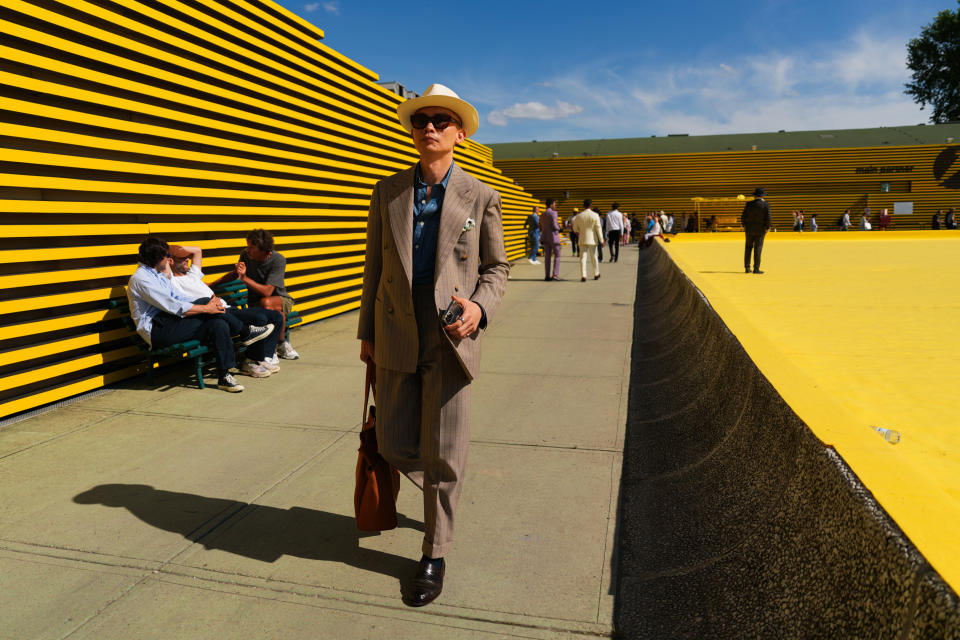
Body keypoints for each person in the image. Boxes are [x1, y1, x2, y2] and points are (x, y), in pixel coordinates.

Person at [357, 84, 509, 607]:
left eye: (442, 121)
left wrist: (480, 308)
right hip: (396, 327)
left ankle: (434, 551)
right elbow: (373, 267)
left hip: (449, 337)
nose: (430, 128)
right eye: (423, 120)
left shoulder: (481, 196)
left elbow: (496, 268)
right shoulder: (388, 191)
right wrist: (366, 334)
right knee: (394, 444)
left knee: (444, 451)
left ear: (459, 134)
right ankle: (443, 488)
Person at [127, 237, 274, 392]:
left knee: (218, 324)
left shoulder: (156, 273)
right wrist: (206, 308)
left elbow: (179, 297)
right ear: (156, 259)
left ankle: (225, 376)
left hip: (172, 322)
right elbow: (172, 305)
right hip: (158, 331)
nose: (170, 259)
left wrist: (210, 303)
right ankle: (246, 332)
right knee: (207, 306)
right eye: (167, 256)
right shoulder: (142, 279)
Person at [167, 245, 283, 378]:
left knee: (276, 316)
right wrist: (170, 252)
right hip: (216, 314)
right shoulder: (171, 281)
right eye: (182, 258)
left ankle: (264, 358)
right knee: (259, 319)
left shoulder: (193, 275)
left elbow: (198, 250)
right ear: (170, 262)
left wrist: (179, 249)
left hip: (228, 309)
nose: (187, 259)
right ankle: (250, 362)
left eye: (187, 257)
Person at [212, 229, 299, 362]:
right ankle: (280, 344)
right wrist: (211, 284)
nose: (247, 250)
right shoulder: (246, 255)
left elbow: (268, 292)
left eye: (252, 248)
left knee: (267, 303)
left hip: (281, 300)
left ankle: (273, 347)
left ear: (265, 251)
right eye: (247, 246)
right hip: (255, 303)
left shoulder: (278, 260)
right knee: (277, 314)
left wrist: (245, 278)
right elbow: (235, 273)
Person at [741, 187, 771, 274]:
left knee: (748, 248)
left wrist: (745, 226)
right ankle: (756, 269)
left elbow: (743, 216)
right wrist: (767, 227)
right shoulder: (766, 205)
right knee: (758, 248)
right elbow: (768, 218)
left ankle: (747, 267)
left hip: (749, 229)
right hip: (761, 230)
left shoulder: (749, 204)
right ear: (762, 196)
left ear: (755, 195)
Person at [572, 198, 604, 281]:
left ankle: (583, 275)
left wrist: (580, 231)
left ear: (583, 206)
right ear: (591, 205)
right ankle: (596, 274)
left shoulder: (578, 216)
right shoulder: (595, 215)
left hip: (582, 239)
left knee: (583, 258)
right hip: (593, 240)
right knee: (594, 257)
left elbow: (575, 229)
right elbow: (598, 228)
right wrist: (602, 240)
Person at [540, 198, 562, 281]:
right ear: (551, 204)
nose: (555, 205)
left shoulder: (542, 214)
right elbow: (554, 225)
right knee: (558, 255)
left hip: (545, 237)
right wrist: (559, 227)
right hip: (554, 237)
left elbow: (541, 225)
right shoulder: (554, 213)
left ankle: (547, 275)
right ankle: (555, 274)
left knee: (547, 257)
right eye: (554, 204)